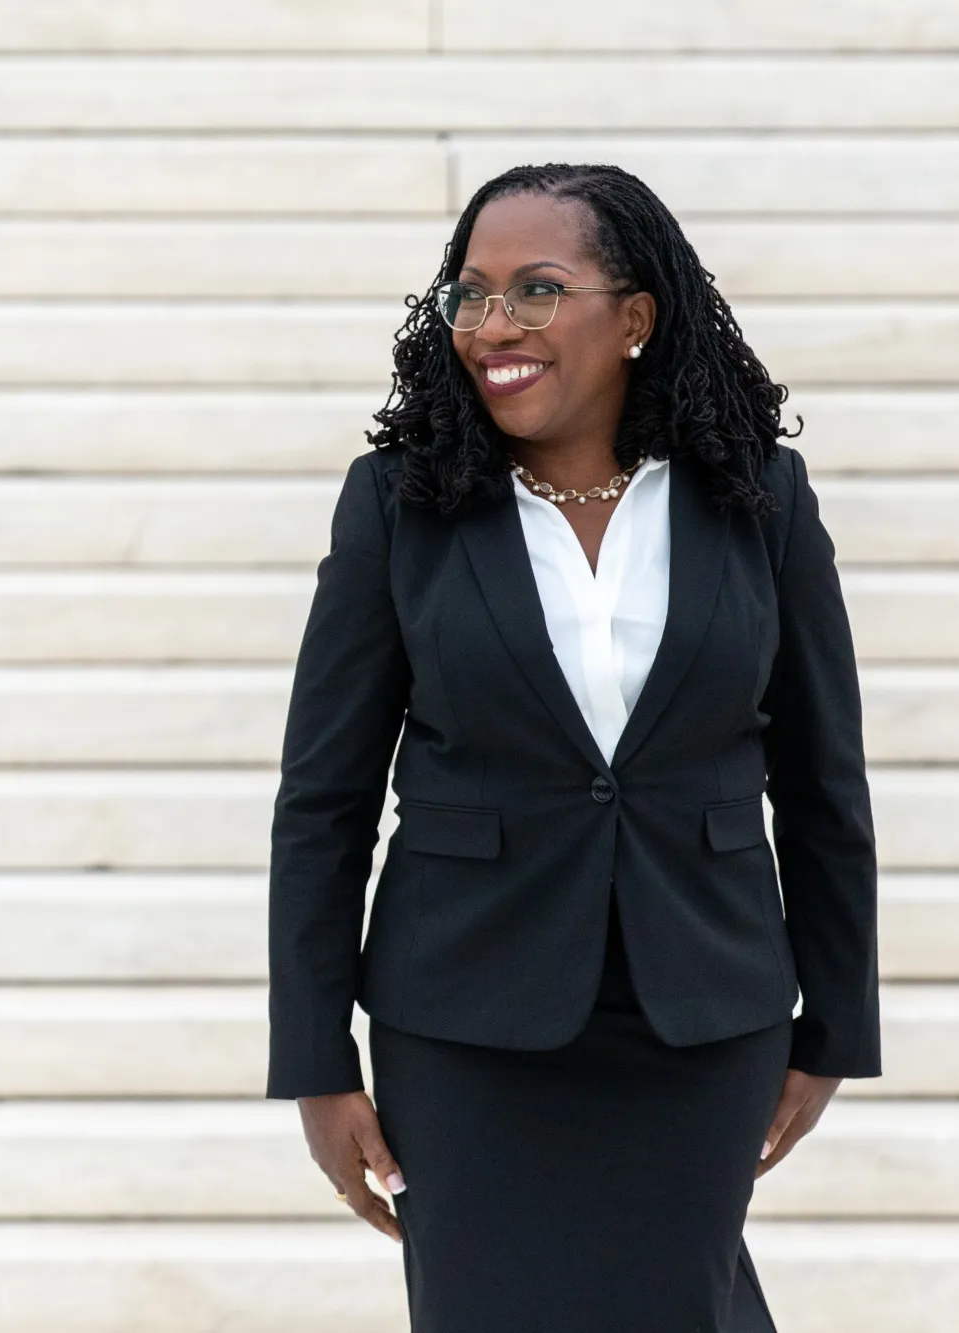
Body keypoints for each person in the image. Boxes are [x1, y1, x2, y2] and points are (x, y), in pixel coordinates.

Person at [267, 161, 880, 1333]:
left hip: (700, 1012)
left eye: (537, 290)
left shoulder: (759, 501)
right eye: (470, 294)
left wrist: (833, 1024)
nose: (493, 325)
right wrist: (316, 1060)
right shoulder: (398, 506)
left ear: (635, 317)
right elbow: (323, 799)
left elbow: (821, 780)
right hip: (463, 1023)